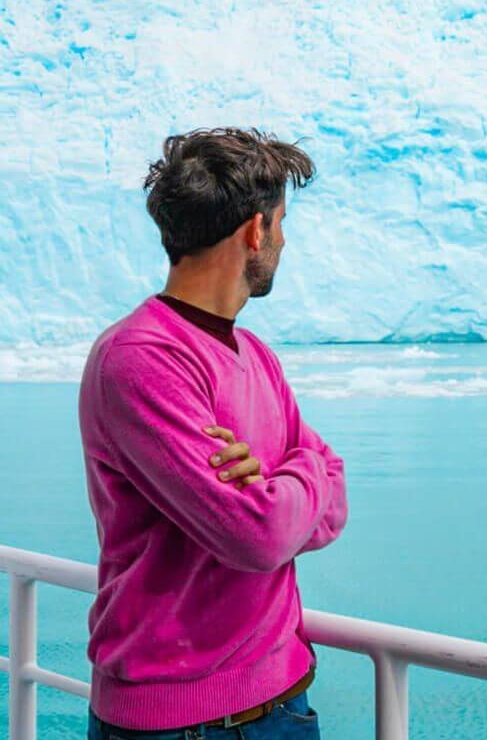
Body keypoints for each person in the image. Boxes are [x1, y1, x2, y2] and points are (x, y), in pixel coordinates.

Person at [78, 127, 348, 738]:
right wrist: (303, 471)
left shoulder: (256, 356)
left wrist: (283, 478)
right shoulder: (141, 358)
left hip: (283, 704)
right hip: (178, 724)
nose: (282, 240)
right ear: (256, 231)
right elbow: (257, 535)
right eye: (280, 224)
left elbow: (334, 506)